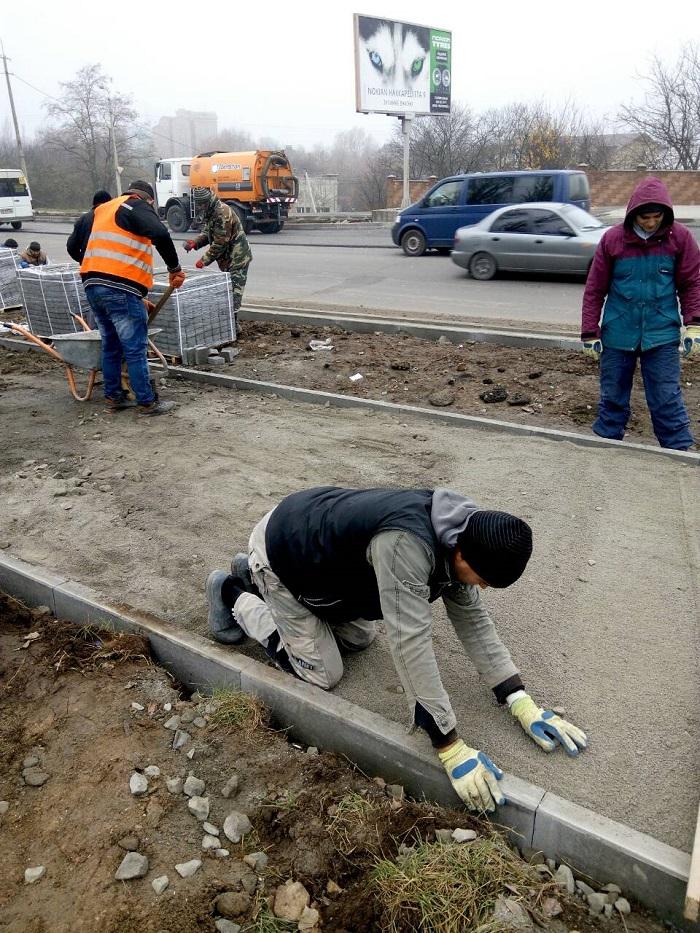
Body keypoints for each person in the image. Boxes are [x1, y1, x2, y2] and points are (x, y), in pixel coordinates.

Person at [206, 486, 587, 813]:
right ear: (462, 556)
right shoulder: (407, 545)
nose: (482, 588)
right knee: (321, 673)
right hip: (285, 552)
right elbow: (410, 642)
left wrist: (518, 698)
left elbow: (473, 621)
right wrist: (448, 744)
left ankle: (256, 576)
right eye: (484, 580)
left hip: (314, 549)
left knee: (360, 639)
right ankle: (234, 590)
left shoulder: (462, 531)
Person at [581, 176, 700, 450]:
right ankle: (607, 447)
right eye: (645, 217)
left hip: (661, 334)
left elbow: (691, 284)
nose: (650, 223)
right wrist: (590, 331)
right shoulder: (613, 240)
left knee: (666, 396)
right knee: (613, 396)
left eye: (656, 217)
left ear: (665, 214)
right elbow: (595, 289)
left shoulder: (679, 238)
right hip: (618, 332)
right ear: (634, 214)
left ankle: (678, 452)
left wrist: (694, 324)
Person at [76, 180, 186, 415]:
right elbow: (159, 232)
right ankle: (147, 402)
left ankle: (114, 398)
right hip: (119, 287)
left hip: (93, 285)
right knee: (135, 348)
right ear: (149, 200)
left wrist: (135, 296)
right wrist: (174, 269)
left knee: (111, 345)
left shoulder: (104, 209)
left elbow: (79, 242)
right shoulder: (136, 205)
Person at [183, 187, 251, 331]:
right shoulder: (211, 211)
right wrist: (195, 243)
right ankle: (230, 327)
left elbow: (220, 242)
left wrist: (204, 260)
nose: (199, 207)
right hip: (227, 259)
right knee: (226, 292)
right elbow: (208, 231)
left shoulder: (222, 213)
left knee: (233, 294)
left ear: (206, 203)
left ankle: (232, 330)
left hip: (237, 258)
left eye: (200, 205)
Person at [67, 189, 112, 264]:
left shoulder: (83, 219)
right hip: (108, 266)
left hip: (88, 267)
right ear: (109, 203)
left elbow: (71, 246)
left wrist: (82, 260)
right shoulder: (113, 217)